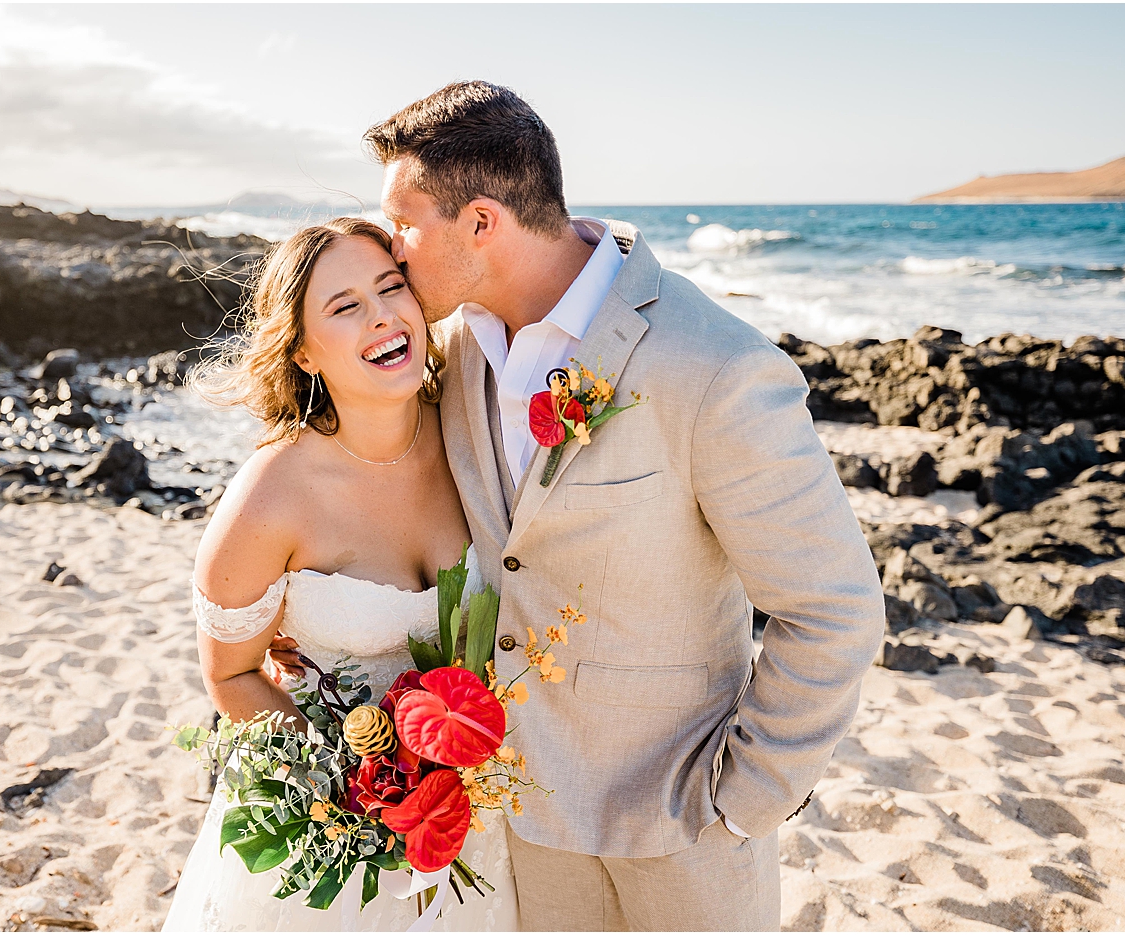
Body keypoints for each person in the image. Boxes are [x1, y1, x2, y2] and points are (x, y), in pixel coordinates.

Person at [360, 81, 885, 931]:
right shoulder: (452, 352)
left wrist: (739, 804)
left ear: (482, 223)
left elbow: (836, 609)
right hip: (521, 820)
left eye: (405, 221)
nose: (392, 247)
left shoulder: (710, 365)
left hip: (679, 833)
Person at [163, 218, 519, 931]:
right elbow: (231, 674)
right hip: (333, 843)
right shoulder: (272, 497)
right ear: (302, 349)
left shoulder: (474, 428)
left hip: (473, 820)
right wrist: (352, 790)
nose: (383, 314)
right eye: (345, 305)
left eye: (392, 287)